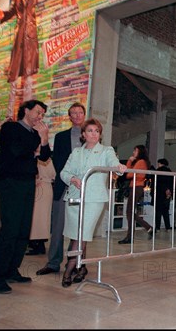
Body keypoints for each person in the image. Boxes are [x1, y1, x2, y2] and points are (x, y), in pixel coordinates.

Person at [0, 99, 50, 294]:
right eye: (38, 112)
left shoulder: (34, 134)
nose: (40, 117)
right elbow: (17, 151)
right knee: (10, 228)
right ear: (26, 110)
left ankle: (11, 270)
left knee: (23, 229)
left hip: (28, 183)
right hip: (12, 182)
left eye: (42, 114)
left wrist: (44, 138)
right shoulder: (11, 128)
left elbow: (45, 157)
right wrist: (37, 142)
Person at [59, 118, 126, 287]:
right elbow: (64, 172)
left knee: (81, 234)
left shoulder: (106, 150)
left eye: (97, 131)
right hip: (75, 197)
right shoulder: (76, 153)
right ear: (83, 134)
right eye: (90, 130)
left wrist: (119, 167)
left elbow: (113, 163)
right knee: (79, 234)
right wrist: (72, 179)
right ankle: (81, 268)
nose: (94, 134)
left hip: (94, 199)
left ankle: (69, 268)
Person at [0, 0, 55, 120]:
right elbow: (15, 8)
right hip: (19, 36)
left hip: (30, 33)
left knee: (28, 76)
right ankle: (10, 116)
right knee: (14, 77)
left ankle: (26, 117)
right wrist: (3, 16)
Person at [36, 102, 85, 276]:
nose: (77, 116)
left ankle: (76, 264)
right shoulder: (61, 137)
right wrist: (68, 177)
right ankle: (53, 262)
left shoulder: (91, 136)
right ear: (69, 117)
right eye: (74, 113)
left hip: (84, 188)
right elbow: (56, 161)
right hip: (63, 186)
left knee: (79, 229)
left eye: (80, 112)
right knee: (57, 227)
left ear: (84, 115)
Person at [118, 145, 154, 244]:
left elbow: (129, 174)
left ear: (140, 152)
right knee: (130, 212)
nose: (133, 152)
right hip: (136, 187)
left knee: (129, 212)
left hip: (136, 187)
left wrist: (129, 161)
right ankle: (146, 229)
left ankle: (134, 235)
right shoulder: (142, 162)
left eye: (135, 150)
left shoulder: (140, 162)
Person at [26, 154, 56, 255]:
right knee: (40, 218)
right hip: (44, 187)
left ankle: (37, 244)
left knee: (39, 218)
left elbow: (53, 173)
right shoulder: (45, 159)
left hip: (41, 188)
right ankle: (37, 243)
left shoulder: (42, 158)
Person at [154, 158, 173, 232]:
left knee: (158, 211)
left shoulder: (158, 171)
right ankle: (168, 227)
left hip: (159, 193)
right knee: (166, 211)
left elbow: (156, 182)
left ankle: (158, 227)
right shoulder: (170, 172)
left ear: (160, 163)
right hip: (167, 194)